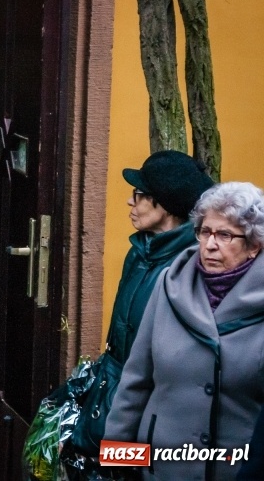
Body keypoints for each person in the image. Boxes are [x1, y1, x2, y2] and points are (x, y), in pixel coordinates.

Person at [104, 181, 264, 480]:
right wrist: (117, 463)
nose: (210, 244)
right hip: (160, 468)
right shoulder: (170, 283)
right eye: (205, 232)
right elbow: (135, 381)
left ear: (254, 245)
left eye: (225, 235)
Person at [106, 150, 214, 366]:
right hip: (118, 386)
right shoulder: (138, 251)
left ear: (165, 203)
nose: (130, 201)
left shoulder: (193, 265)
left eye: (138, 193)